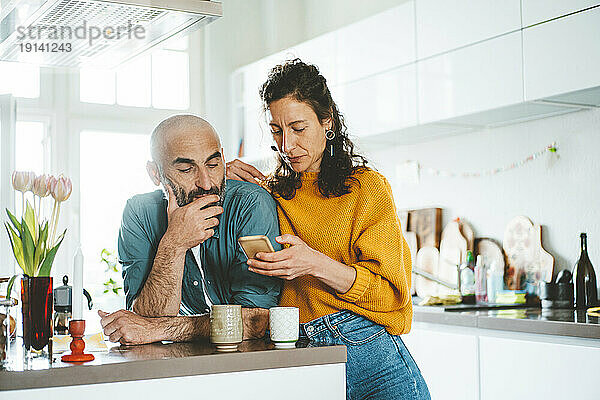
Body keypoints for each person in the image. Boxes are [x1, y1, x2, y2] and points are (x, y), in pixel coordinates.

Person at [227, 59, 431, 400]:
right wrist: (227, 180)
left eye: (298, 127)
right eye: (276, 129)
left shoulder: (367, 188)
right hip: (303, 355)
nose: (286, 144)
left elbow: (392, 296)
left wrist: (313, 263)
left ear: (327, 122)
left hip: (373, 359)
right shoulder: (271, 191)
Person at [98, 115, 282, 345]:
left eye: (213, 165)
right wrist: (174, 243)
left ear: (224, 159)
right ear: (155, 173)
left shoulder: (250, 204)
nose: (206, 183)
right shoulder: (139, 212)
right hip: (175, 364)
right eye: (186, 169)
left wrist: (164, 330)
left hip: (247, 364)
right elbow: (144, 319)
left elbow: (256, 320)